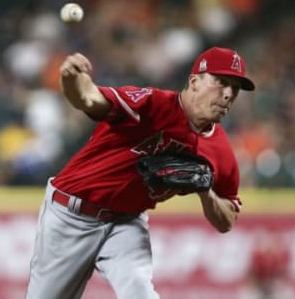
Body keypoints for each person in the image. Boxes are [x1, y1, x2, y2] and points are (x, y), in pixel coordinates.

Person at [26, 47, 256, 299]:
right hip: (71, 216)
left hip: (126, 223)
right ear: (194, 81)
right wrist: (71, 79)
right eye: (221, 82)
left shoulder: (220, 152)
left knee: (140, 293)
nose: (227, 95)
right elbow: (89, 98)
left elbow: (227, 220)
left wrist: (205, 192)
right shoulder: (152, 104)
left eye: (235, 88)